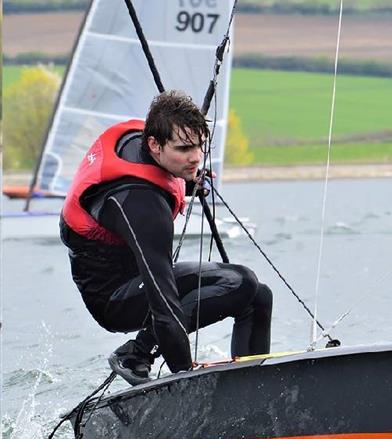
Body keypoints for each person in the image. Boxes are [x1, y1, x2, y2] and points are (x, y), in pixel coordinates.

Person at [60, 90, 272, 386]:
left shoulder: (146, 142)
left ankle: (255, 386)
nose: (196, 157)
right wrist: (186, 375)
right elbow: (164, 304)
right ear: (154, 145)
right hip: (115, 297)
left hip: (138, 276)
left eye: (199, 146)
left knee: (258, 296)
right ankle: (136, 354)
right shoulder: (140, 204)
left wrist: (185, 182)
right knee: (240, 281)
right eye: (185, 149)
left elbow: (157, 171)